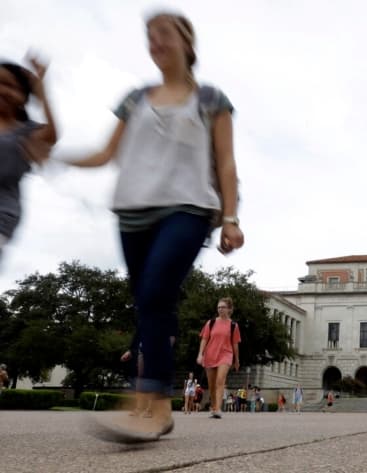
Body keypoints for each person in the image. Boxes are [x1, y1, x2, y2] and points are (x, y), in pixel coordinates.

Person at [68, 12, 243, 443]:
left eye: (163, 33)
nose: (155, 42)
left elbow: (225, 162)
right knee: (148, 304)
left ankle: (153, 401)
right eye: (149, 37)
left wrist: (232, 217)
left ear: (186, 41)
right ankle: (153, 404)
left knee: (156, 291)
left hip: (188, 207)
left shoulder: (210, 98)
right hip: (133, 210)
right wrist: (54, 153)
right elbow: (106, 153)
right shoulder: (135, 98)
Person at [0, 58, 58, 257]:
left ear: (23, 97)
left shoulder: (27, 132)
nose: (2, 90)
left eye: (10, 86)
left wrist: (41, 91)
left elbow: (52, 134)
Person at [198, 297, 241, 419]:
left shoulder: (233, 325)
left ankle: (218, 409)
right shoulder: (210, 323)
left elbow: (235, 344)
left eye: (223, 307)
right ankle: (214, 406)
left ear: (229, 309)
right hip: (210, 354)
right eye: (218, 307)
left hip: (226, 354)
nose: (220, 309)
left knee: (220, 380)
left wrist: (236, 360)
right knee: (211, 384)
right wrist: (200, 354)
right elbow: (204, 339)